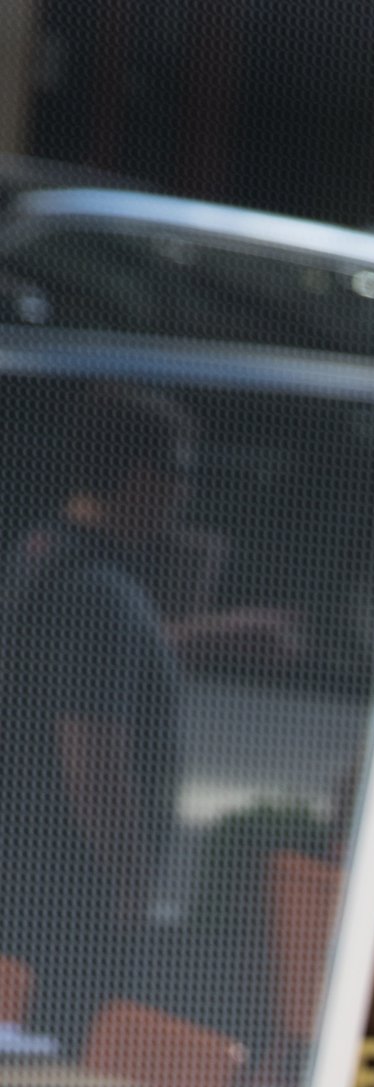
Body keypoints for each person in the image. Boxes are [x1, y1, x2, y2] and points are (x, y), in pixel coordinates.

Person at [0, 388, 187, 1040]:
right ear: (140, 478)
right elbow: (95, 761)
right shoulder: (100, 593)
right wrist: (132, 890)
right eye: (179, 476)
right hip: (70, 899)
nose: (182, 495)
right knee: (55, 1066)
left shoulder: (39, 553)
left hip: (22, 874)